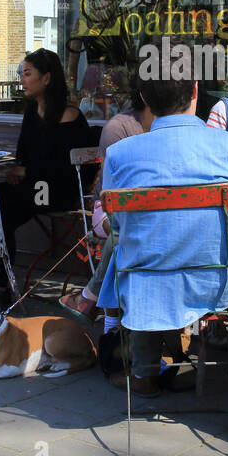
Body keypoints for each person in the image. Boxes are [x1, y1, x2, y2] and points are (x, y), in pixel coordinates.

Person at [98, 73, 228, 396]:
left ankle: (144, 375)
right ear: (196, 91)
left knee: (140, 261)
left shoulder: (120, 155)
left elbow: (118, 227)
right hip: (218, 288)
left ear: (146, 100)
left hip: (144, 286)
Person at [0, 48, 92, 308]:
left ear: (46, 78)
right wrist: (18, 171)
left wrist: (25, 172)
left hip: (59, 191)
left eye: (27, 74)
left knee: (0, 207)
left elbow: (64, 169)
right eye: (21, 74)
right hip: (34, 188)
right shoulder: (31, 113)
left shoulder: (69, 116)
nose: (22, 80)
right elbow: (24, 155)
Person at [58, 91, 154, 323]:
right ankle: (106, 320)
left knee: (132, 226)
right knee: (126, 225)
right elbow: (116, 191)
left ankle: (90, 296)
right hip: (112, 207)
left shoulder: (176, 129)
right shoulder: (121, 126)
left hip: (150, 210)